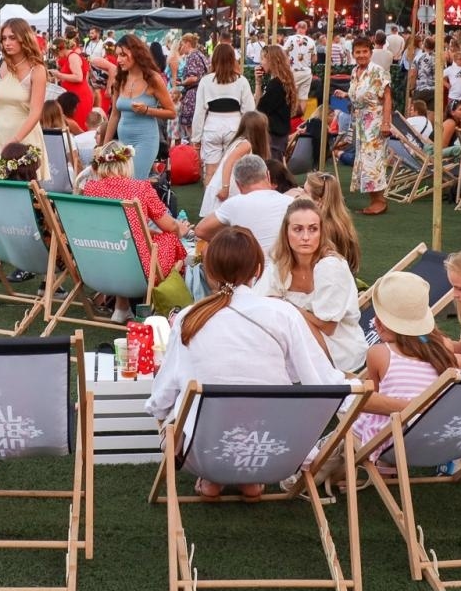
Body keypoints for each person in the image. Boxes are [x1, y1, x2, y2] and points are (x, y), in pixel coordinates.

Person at [144, 227, 340, 498]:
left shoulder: (189, 318)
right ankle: (249, 479)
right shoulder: (283, 314)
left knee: (179, 412)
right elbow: (321, 382)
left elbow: (163, 395)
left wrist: (158, 412)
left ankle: (213, 479)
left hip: (201, 453)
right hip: (274, 451)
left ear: (209, 271)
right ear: (258, 270)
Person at [80, 141, 190, 323]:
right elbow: (170, 227)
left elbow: (116, 230)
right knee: (170, 238)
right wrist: (181, 229)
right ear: (127, 162)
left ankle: (121, 307)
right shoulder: (141, 188)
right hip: (138, 270)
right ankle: (164, 306)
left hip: (97, 263)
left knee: (124, 241)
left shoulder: (90, 189)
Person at [349, 271, 457, 456]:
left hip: (387, 441)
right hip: (430, 439)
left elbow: (371, 403)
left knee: (352, 403)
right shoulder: (443, 346)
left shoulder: (379, 353)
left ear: (379, 321)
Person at [256, 198, 364, 373]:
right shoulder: (281, 264)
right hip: (298, 344)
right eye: (298, 229)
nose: (305, 237)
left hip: (338, 350)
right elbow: (259, 304)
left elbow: (328, 327)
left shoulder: (330, 266)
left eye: (313, 229)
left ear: (321, 232)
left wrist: (285, 306)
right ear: (286, 232)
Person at [0, 18, 49, 181]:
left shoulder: (37, 69)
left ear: (24, 38)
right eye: (4, 38)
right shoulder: (0, 64)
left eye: (12, 38)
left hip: (23, 137)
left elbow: (36, 113)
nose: (7, 42)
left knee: (18, 196)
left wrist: (14, 142)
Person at [101, 35, 175, 181]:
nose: (119, 60)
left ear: (136, 54)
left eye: (123, 55)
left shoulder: (153, 79)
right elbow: (115, 116)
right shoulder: (120, 79)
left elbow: (172, 112)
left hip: (146, 140)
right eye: (117, 55)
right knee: (121, 183)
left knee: (133, 182)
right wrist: (105, 147)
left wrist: (147, 110)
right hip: (123, 141)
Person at [194, 154, 292, 257]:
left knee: (208, 249)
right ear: (267, 175)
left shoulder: (234, 204)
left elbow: (200, 230)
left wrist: (228, 242)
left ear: (237, 184)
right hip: (284, 268)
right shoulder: (290, 202)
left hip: (248, 268)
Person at [343, 36, 392, 216]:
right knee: (365, 160)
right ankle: (374, 199)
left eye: (365, 51)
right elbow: (359, 94)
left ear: (371, 53)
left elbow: (387, 97)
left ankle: (380, 201)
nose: (361, 55)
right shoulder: (355, 71)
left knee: (374, 160)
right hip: (361, 121)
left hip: (376, 120)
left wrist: (386, 122)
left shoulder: (377, 71)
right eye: (358, 52)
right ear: (353, 53)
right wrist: (346, 95)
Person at [200, 111, 271, 219]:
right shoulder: (245, 145)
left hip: (229, 187)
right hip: (225, 188)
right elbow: (229, 162)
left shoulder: (241, 142)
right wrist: (225, 188)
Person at [300, 170, 360, 269]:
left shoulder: (320, 229)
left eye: (305, 191)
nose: (300, 193)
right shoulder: (342, 221)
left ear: (319, 201)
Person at [254, 44, 297, 161]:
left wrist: (258, 85)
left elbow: (259, 109)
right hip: (279, 135)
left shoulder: (276, 85)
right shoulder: (283, 82)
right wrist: (258, 83)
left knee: (271, 172)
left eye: (263, 58)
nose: (261, 62)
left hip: (273, 137)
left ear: (271, 60)